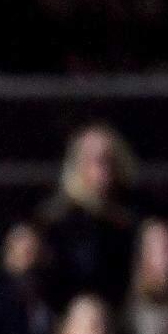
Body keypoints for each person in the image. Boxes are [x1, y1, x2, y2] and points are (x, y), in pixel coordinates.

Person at [37, 124, 138, 304]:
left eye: (109, 158)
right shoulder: (56, 219)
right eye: (94, 159)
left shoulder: (134, 213)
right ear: (77, 164)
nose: (103, 166)